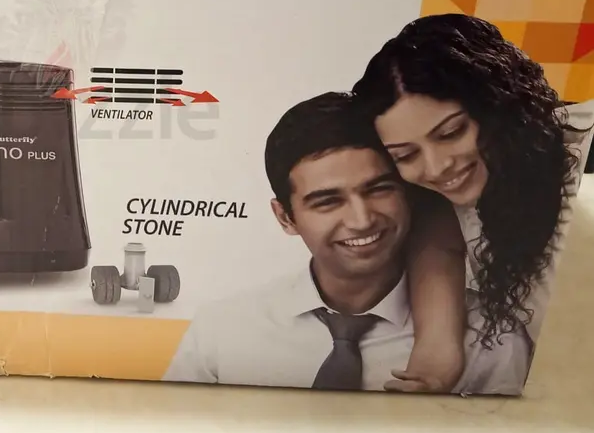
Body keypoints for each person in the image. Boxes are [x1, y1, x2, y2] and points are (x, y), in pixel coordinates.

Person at [163, 92, 530, 394]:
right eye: (328, 201)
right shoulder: (221, 331)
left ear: (409, 193)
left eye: (379, 189)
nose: (361, 219)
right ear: (285, 217)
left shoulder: (491, 341)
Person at [352, 14, 591, 353]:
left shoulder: (582, 153)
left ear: (500, 103)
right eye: (405, 155)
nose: (437, 167)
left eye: (451, 133)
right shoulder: (445, 206)